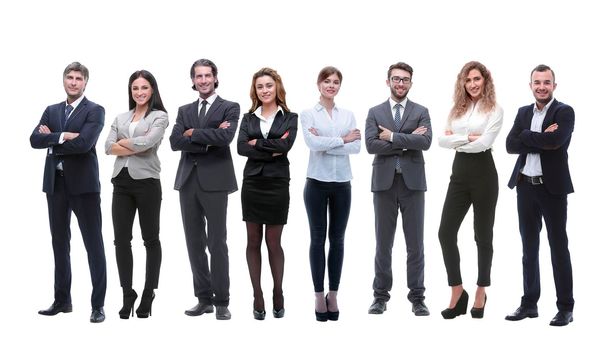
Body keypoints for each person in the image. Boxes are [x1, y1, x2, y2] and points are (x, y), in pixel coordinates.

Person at [30, 62, 107, 323]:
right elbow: (33, 140)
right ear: (64, 80)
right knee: (59, 244)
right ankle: (62, 300)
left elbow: (85, 144)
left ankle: (98, 306)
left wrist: (52, 138)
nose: (73, 82)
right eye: (69, 78)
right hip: (56, 185)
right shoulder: (51, 110)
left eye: (78, 79)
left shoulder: (95, 110)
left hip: (84, 187)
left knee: (93, 245)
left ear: (85, 82)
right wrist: (64, 136)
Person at [505, 64, 575, 327]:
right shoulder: (523, 112)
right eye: (537, 82)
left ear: (554, 86)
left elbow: (556, 142)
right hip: (525, 186)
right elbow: (511, 145)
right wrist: (538, 136)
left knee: (558, 248)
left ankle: (566, 308)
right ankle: (529, 304)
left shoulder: (564, 111)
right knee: (528, 248)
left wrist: (528, 136)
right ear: (531, 85)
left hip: (552, 188)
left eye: (547, 82)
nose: (542, 87)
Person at [169, 59, 240, 320]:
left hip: (216, 182)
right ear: (193, 80)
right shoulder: (184, 109)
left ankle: (222, 301)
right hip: (188, 181)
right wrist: (204, 135)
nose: (203, 80)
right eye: (198, 76)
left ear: (215, 77)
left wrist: (192, 134)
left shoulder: (230, 107)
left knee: (217, 242)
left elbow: (226, 138)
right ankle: (203, 298)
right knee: (194, 242)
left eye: (207, 75)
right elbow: (175, 142)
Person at [365, 62, 432, 316]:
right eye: (396, 79)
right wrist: (407, 141)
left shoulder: (421, 110)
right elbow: (371, 145)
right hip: (383, 184)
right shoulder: (375, 112)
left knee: (415, 244)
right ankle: (380, 296)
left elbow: (425, 142)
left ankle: (418, 297)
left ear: (411, 83)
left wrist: (391, 137)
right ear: (388, 81)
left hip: (413, 184)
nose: (400, 83)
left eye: (405, 80)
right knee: (383, 243)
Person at [437, 61, 503, 319]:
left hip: (485, 174)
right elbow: (442, 141)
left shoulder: (495, 109)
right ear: (462, 83)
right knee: (445, 232)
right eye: (468, 80)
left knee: (482, 235)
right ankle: (457, 289)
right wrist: (470, 138)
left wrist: (460, 140)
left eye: (477, 79)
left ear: (485, 80)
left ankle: (481, 290)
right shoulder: (457, 109)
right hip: (459, 174)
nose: (473, 84)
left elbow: (485, 143)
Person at [105, 70, 169, 319]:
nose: (139, 92)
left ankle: (148, 292)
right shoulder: (121, 117)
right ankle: (126, 293)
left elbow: (149, 143)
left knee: (150, 239)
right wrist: (134, 144)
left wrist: (124, 145)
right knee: (121, 240)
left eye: (144, 87)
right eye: (135, 88)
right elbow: (107, 147)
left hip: (147, 183)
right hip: (121, 182)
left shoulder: (160, 116)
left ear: (152, 89)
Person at [237, 67, 298, 320]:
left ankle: (278, 291)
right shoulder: (248, 118)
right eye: (260, 86)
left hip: (277, 184)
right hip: (252, 183)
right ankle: (257, 295)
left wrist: (257, 144)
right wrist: (271, 148)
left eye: (269, 86)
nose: (265, 90)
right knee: (253, 241)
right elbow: (241, 148)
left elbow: (286, 146)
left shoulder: (290, 117)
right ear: (256, 90)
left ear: (277, 88)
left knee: (273, 242)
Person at [300, 66, 360, 322]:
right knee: (317, 239)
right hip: (316, 183)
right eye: (327, 81)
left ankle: (333, 294)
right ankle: (318, 294)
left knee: (338, 240)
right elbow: (312, 144)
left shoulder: (348, 114)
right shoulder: (307, 114)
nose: (331, 85)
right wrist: (342, 140)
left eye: (336, 82)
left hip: (342, 183)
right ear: (319, 84)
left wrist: (334, 142)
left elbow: (356, 147)